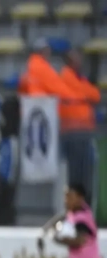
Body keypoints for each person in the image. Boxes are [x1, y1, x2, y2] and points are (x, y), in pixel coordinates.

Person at [60, 49, 101, 204]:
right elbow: (88, 93)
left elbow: (95, 95)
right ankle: (75, 207)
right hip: (72, 133)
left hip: (84, 133)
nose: (80, 61)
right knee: (75, 175)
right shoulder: (66, 76)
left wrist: (84, 93)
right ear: (70, 61)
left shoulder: (79, 79)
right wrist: (84, 94)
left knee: (85, 174)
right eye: (77, 58)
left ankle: (83, 206)